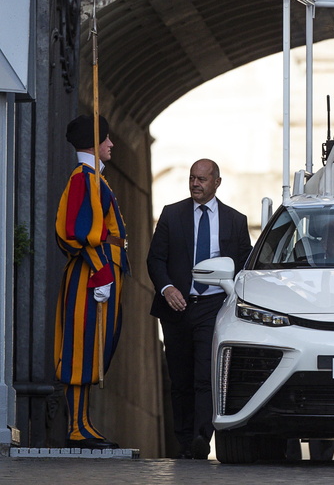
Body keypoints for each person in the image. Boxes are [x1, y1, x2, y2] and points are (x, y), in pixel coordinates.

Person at [147, 159, 252, 460]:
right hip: (177, 305)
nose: (196, 184)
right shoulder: (172, 214)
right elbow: (155, 260)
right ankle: (184, 442)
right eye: (192, 178)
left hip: (214, 306)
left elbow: (244, 265)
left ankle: (201, 438)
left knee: (206, 375)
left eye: (202, 179)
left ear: (216, 182)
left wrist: (232, 297)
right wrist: (167, 289)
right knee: (180, 378)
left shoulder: (235, 220)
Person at [54, 115, 130, 449]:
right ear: (92, 143)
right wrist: (101, 272)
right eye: (105, 139)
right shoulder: (84, 179)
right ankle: (76, 427)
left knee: (95, 347)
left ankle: (83, 423)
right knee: (81, 348)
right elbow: (78, 233)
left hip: (100, 274)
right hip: (91, 276)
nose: (111, 144)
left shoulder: (95, 179)